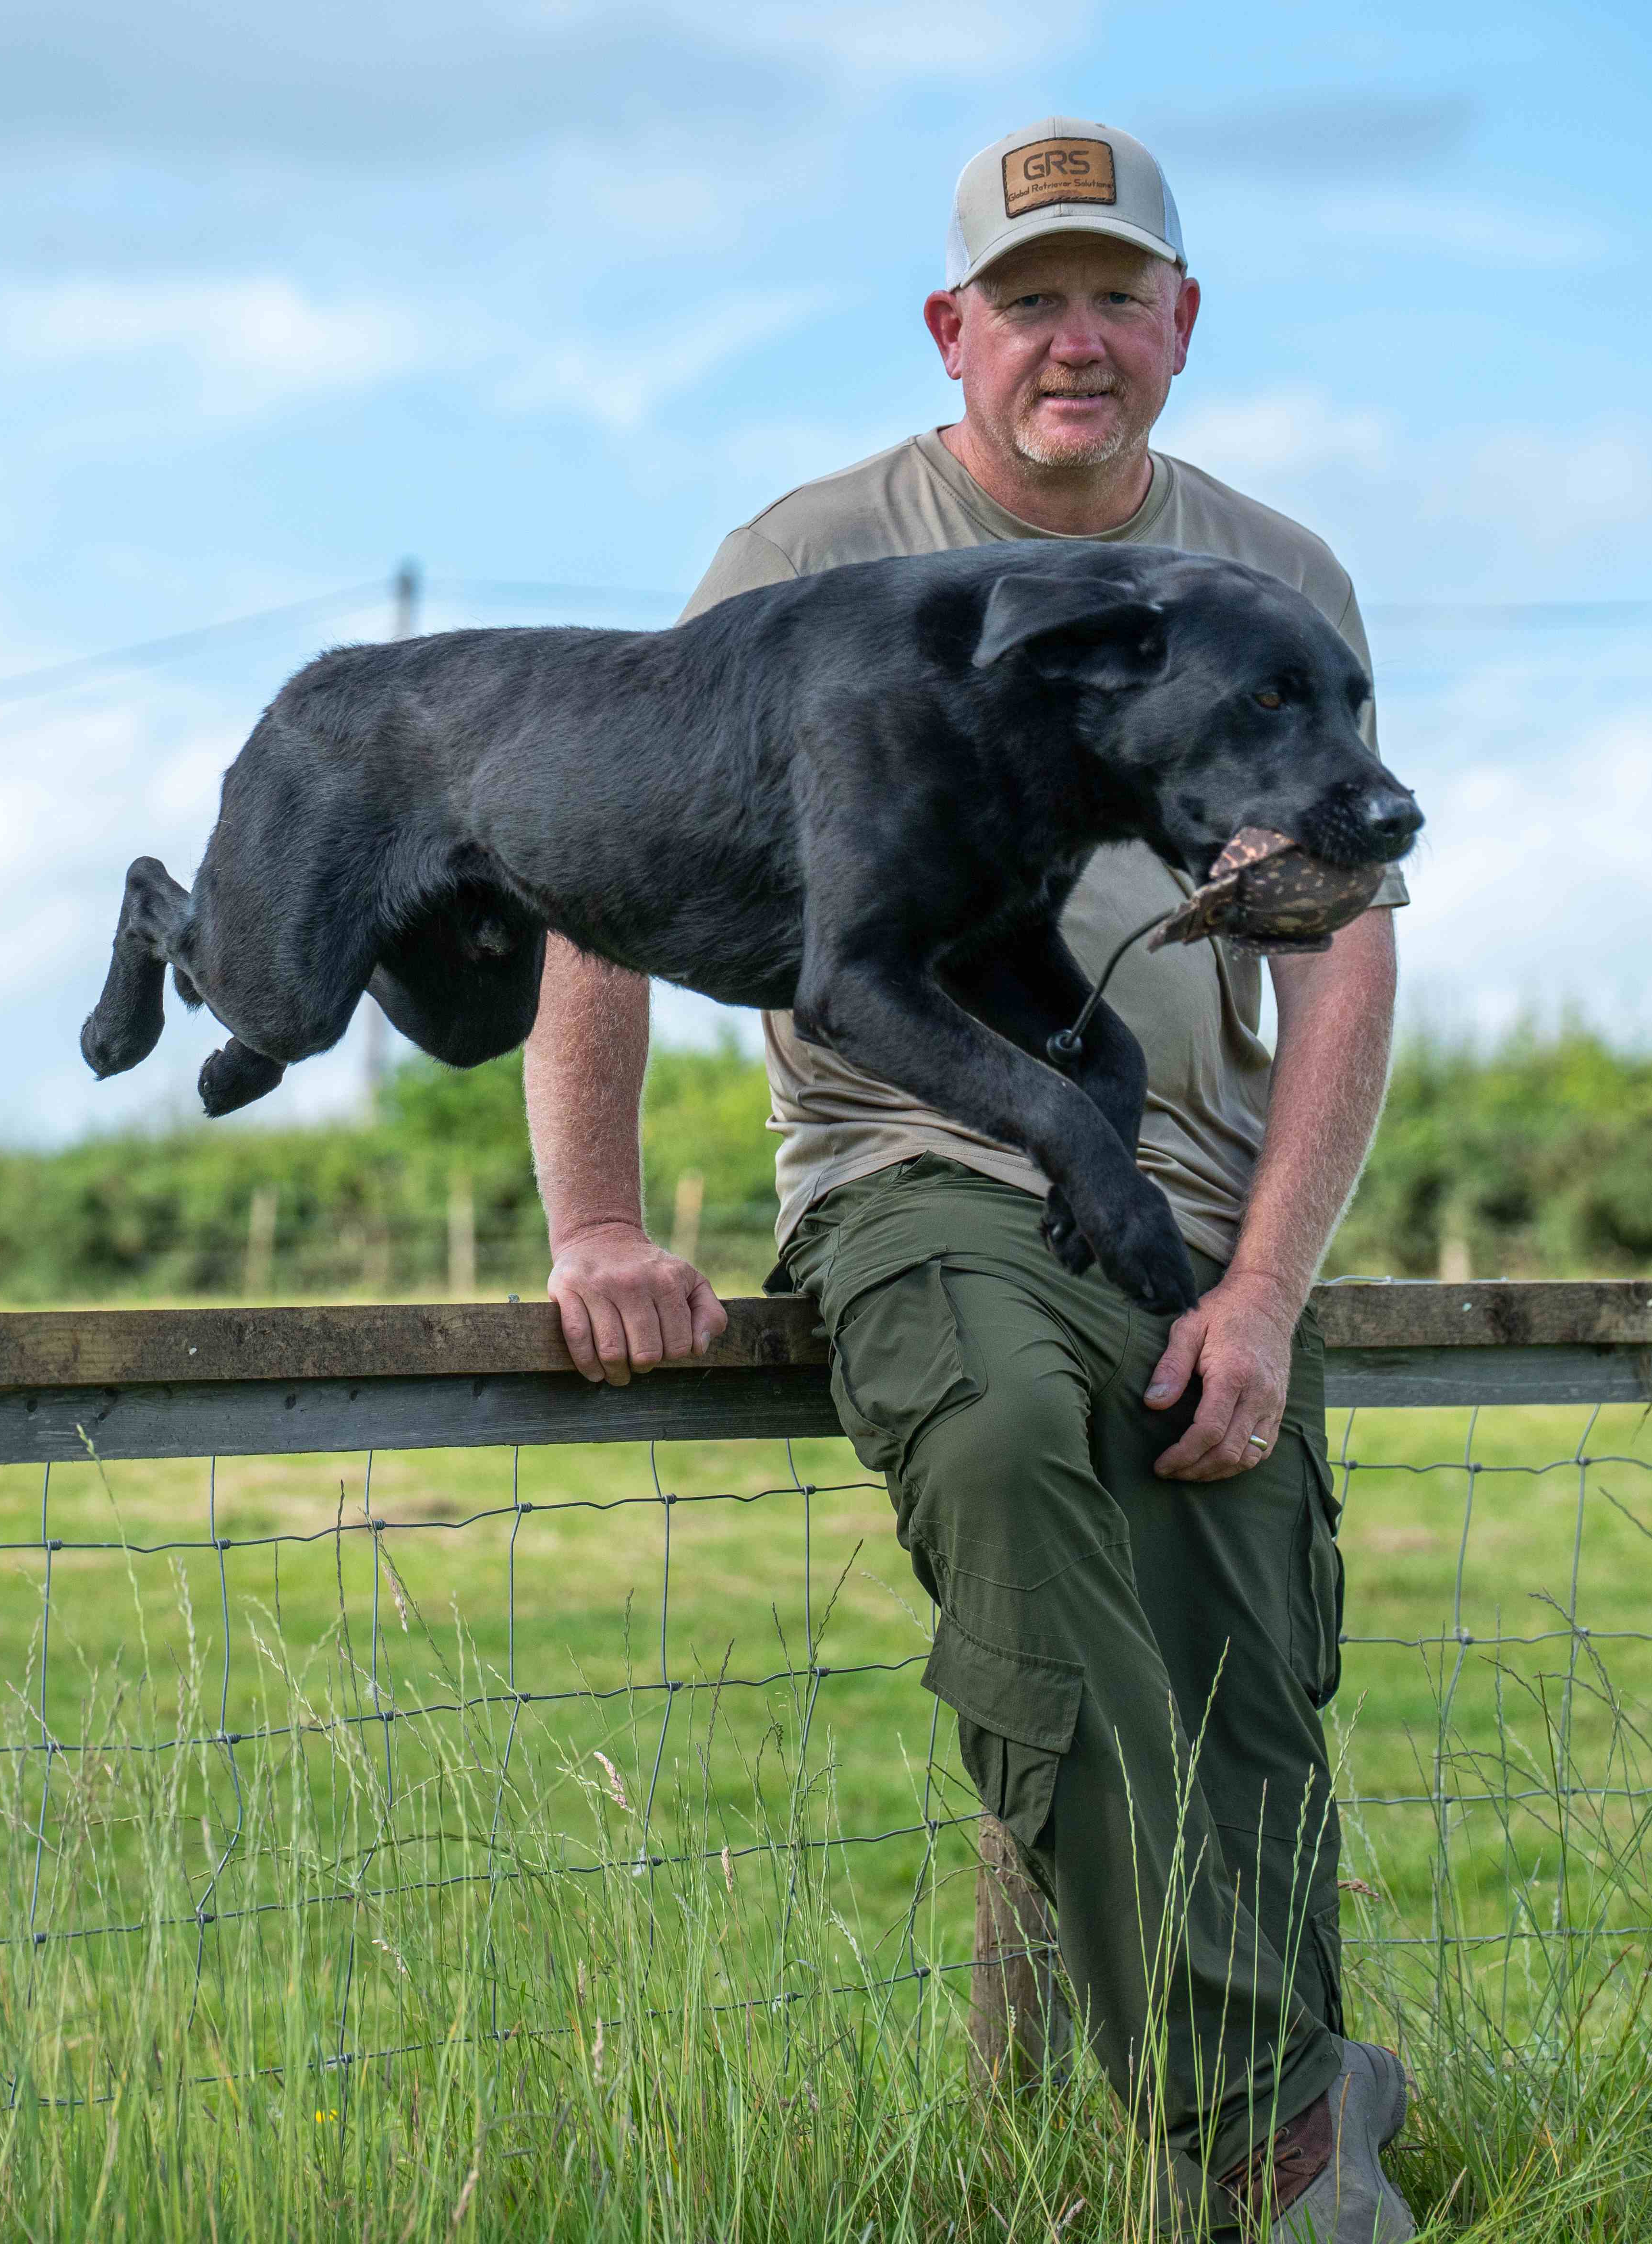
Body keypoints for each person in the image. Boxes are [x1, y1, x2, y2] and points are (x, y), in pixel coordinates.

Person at [525, 119, 1418, 2241]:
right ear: (954, 331)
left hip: (1188, 1184)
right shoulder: (813, 552)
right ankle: (1264, 2143)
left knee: (1239, 1604)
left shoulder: (1277, 582)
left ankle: (1306, 2093)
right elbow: (589, 857)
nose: (1076, 339)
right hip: (910, 1147)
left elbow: (1353, 948)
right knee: (1019, 1447)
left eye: (1119, 295)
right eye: (1031, 301)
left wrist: (1266, 1289)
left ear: (1185, 325)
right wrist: (595, 1216)